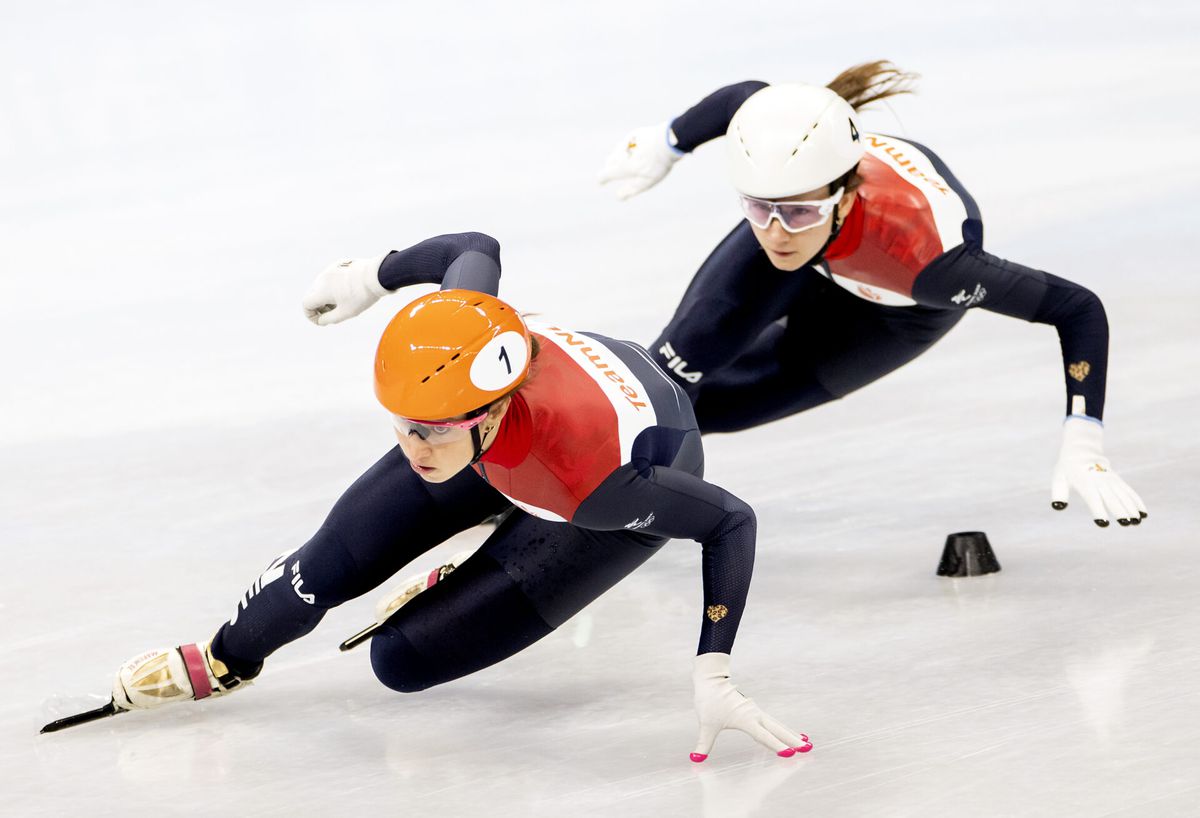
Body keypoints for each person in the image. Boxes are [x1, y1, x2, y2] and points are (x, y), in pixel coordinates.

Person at [100, 234, 811, 763]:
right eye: (403, 426)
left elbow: (730, 521)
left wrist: (713, 666)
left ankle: (477, 557)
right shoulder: (458, 368)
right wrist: (370, 278)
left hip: (598, 480)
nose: (414, 449)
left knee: (400, 662)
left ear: (492, 412)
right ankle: (226, 661)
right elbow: (474, 248)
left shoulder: (593, 486)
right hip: (503, 440)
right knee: (320, 572)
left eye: (430, 432)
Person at [597, 61, 1147, 529]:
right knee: (660, 385)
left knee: (723, 409)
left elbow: (1076, 308)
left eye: (798, 211)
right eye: (756, 208)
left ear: (845, 194)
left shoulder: (933, 263)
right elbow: (748, 99)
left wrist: (1085, 435)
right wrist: (669, 139)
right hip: (825, 256)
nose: (776, 232)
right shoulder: (783, 197)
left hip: (891, 315)